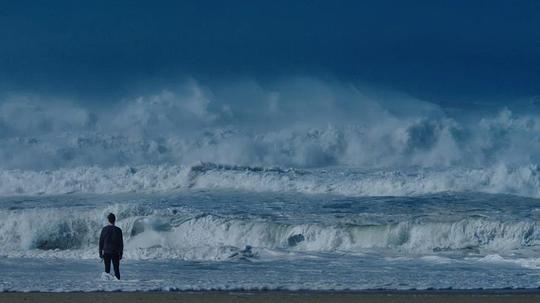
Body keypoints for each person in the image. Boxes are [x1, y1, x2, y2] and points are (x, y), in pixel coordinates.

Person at [99, 213, 123, 280]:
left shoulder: (104, 229)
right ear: (115, 220)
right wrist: (121, 253)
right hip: (115, 252)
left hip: (106, 251)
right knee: (116, 270)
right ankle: (119, 286)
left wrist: (100, 253)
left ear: (108, 220)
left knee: (107, 270)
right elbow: (121, 243)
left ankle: (108, 287)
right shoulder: (118, 230)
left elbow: (101, 242)